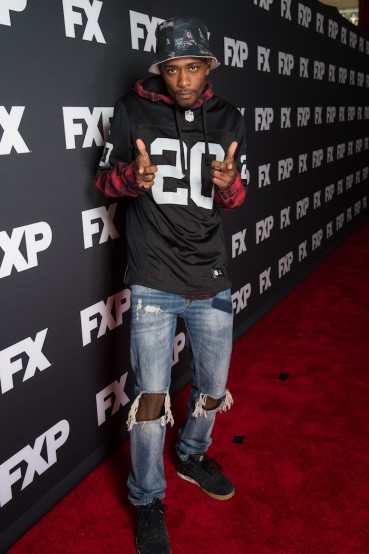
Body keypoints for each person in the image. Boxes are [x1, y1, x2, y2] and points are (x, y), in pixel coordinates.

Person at [94, 15, 248, 554]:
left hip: (211, 275)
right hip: (154, 277)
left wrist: (230, 188)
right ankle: (145, 497)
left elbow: (233, 199)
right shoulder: (133, 109)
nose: (183, 80)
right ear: (162, 70)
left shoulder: (228, 118)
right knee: (152, 399)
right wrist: (130, 180)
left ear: (209, 68)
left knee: (212, 387)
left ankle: (190, 455)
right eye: (173, 69)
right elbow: (104, 180)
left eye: (193, 68)